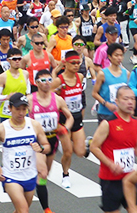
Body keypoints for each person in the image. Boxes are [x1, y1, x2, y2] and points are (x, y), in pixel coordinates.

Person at [90, 85, 137, 213]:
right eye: (126, 99)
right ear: (116, 101)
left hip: (130, 178)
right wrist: (110, 164)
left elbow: (135, 146)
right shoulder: (108, 123)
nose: (130, 102)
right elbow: (94, 147)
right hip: (110, 180)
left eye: (133, 99)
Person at [0, 93, 50, 213]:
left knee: (21, 210)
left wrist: (41, 148)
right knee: (23, 210)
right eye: (17, 109)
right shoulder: (1, 129)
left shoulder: (34, 125)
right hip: (11, 176)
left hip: (30, 175)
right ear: (10, 108)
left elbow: (47, 146)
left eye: (24, 109)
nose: (21, 113)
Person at [28, 69, 73, 213]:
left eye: (49, 80)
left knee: (44, 174)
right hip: (36, 141)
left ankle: (33, 186)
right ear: (36, 83)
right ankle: (46, 208)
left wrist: (65, 128)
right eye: (42, 80)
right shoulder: (30, 99)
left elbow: (70, 116)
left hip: (52, 139)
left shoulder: (57, 99)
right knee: (43, 173)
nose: (47, 83)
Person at [53, 50, 92, 188]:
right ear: (66, 63)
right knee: (68, 152)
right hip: (64, 119)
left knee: (81, 152)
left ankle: (89, 142)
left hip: (76, 118)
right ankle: (65, 174)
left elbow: (80, 97)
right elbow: (48, 96)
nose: (76, 65)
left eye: (78, 63)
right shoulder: (59, 80)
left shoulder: (80, 77)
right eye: (73, 63)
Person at [0, 48, 30, 122]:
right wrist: (7, 97)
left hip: (22, 113)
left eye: (19, 59)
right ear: (8, 60)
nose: (17, 61)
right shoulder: (3, 77)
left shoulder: (25, 74)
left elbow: (28, 92)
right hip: (7, 114)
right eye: (14, 59)